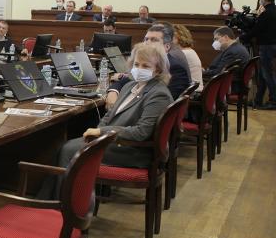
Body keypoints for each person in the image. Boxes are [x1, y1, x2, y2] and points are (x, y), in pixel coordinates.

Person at [49, 43, 173, 191]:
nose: (139, 69)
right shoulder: (129, 86)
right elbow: (109, 115)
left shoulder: (159, 94)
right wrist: (99, 133)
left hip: (132, 150)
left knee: (68, 149)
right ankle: (59, 197)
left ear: (157, 70)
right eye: (136, 64)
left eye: (145, 66)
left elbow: (141, 132)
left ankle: (65, 201)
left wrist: (102, 132)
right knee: (64, 147)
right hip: (113, 141)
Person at [106, 23, 190, 107]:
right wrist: (113, 91)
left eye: (154, 40)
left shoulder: (176, 68)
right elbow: (127, 80)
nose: (147, 43)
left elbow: (163, 102)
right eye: (146, 39)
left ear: (167, 46)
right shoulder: (144, 63)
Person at [252, 0, 276, 109]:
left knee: (267, 74)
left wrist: (241, 37)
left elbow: (256, 30)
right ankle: (258, 100)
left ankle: (273, 101)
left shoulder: (266, 13)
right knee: (263, 74)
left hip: (266, 46)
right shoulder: (274, 11)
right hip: (272, 45)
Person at [173, 24, 203, 91]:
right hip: (193, 90)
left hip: (192, 92)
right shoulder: (190, 51)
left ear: (177, 37)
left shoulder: (184, 53)